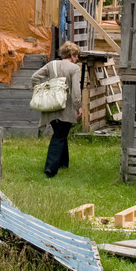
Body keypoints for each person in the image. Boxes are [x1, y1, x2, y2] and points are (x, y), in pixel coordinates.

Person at [31, 41, 83, 178]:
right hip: (66, 108)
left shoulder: (51, 65)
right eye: (77, 55)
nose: (77, 58)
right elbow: (76, 91)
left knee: (60, 133)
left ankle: (63, 163)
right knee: (59, 136)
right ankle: (50, 168)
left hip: (51, 107)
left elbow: (34, 77)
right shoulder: (74, 68)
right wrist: (79, 107)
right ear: (72, 54)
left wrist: (39, 91)